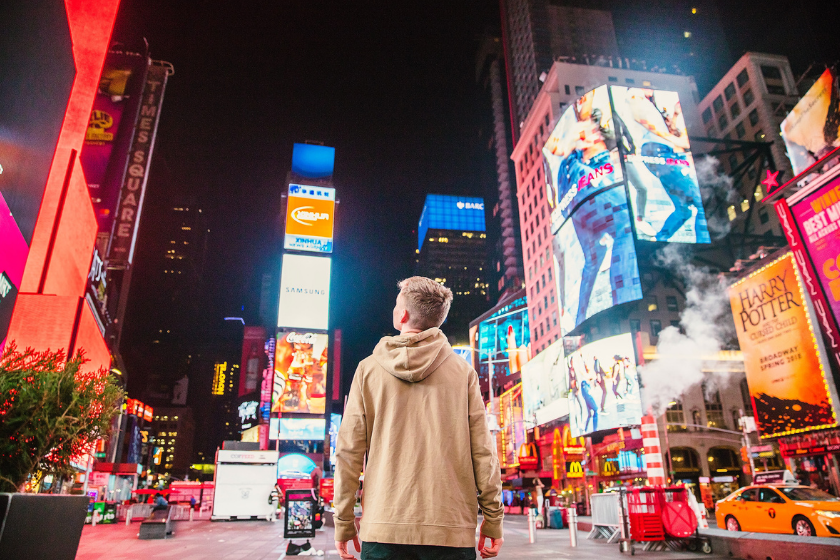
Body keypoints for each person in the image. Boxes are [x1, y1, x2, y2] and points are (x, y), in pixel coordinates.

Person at [334, 277, 504, 560]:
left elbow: (348, 453)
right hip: (450, 531)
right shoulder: (464, 373)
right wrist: (493, 518)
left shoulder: (368, 370)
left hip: (383, 530)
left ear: (402, 315)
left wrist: (344, 520)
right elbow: (484, 453)